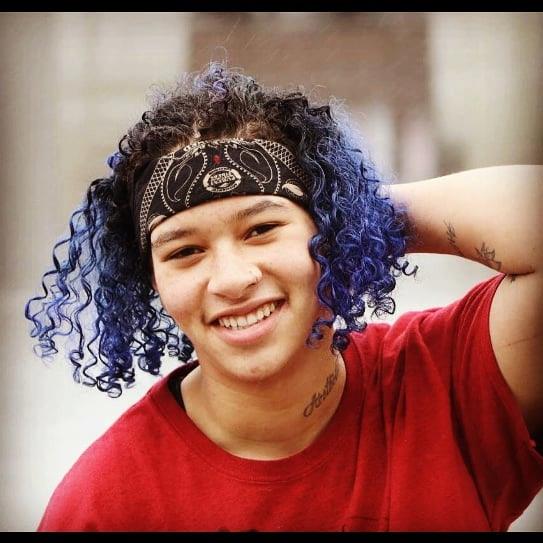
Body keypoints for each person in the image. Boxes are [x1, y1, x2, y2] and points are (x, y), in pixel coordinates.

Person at [25, 62, 543, 532]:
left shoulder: (445, 382)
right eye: (185, 251)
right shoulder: (104, 506)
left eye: (262, 229)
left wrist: (356, 217)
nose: (231, 280)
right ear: (152, 283)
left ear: (327, 234)